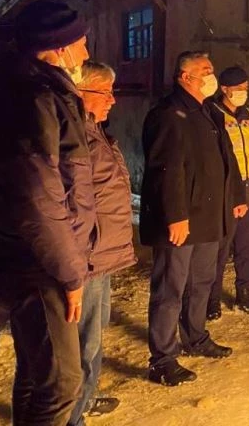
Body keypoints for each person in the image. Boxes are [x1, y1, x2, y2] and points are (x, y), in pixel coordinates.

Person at [0, 0, 95, 426]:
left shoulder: (36, 94)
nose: (85, 54)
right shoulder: (36, 100)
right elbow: (40, 197)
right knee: (63, 382)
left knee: (36, 371)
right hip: (38, 264)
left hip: (25, 255)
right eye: (81, 44)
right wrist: (70, 273)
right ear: (58, 49)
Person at [140, 51, 243, 386]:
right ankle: (163, 358)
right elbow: (165, 171)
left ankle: (195, 337)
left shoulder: (208, 111)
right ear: (185, 76)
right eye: (206, 70)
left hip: (209, 217)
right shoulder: (169, 113)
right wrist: (175, 215)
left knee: (201, 283)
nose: (212, 75)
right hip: (182, 220)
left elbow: (227, 160)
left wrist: (236, 197)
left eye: (212, 69)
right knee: (170, 288)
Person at [69, 61, 137, 424]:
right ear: (80, 93)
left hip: (102, 253)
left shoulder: (93, 130)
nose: (113, 99)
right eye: (105, 92)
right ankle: (72, 414)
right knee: (82, 340)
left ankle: (86, 397)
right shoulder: (73, 135)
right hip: (86, 256)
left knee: (95, 332)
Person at [207, 67, 249, 319]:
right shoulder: (212, 114)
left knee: (248, 248)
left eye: (246, 88)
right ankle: (210, 300)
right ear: (224, 89)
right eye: (238, 89)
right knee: (219, 250)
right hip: (226, 194)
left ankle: (245, 294)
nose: (243, 93)